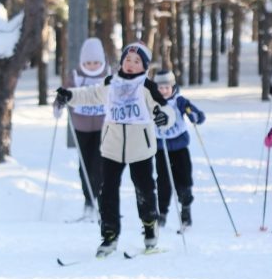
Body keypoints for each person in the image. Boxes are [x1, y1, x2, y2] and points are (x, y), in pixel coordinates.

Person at [55, 43, 175, 257]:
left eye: (136, 62)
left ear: (144, 66)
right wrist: (69, 95)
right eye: (127, 60)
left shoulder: (147, 87)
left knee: (145, 190)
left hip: (141, 148)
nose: (130, 64)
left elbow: (163, 108)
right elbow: (91, 95)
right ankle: (109, 236)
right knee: (107, 192)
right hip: (112, 147)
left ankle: (150, 230)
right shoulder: (111, 83)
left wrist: (164, 117)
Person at [152, 69, 205, 229]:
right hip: (161, 147)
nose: (164, 91)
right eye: (160, 88)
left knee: (184, 179)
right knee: (163, 181)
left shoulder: (180, 101)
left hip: (180, 147)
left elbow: (198, 115)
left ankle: (186, 210)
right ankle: (162, 213)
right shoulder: (152, 102)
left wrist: (195, 116)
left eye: (167, 87)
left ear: (173, 86)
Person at [65, 37, 110, 219]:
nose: (92, 66)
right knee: (84, 164)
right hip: (81, 126)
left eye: (96, 62)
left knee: (99, 165)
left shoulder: (108, 75)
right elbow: (65, 93)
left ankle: (99, 200)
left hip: (102, 126)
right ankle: (88, 201)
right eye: (88, 63)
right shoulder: (75, 76)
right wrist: (59, 102)